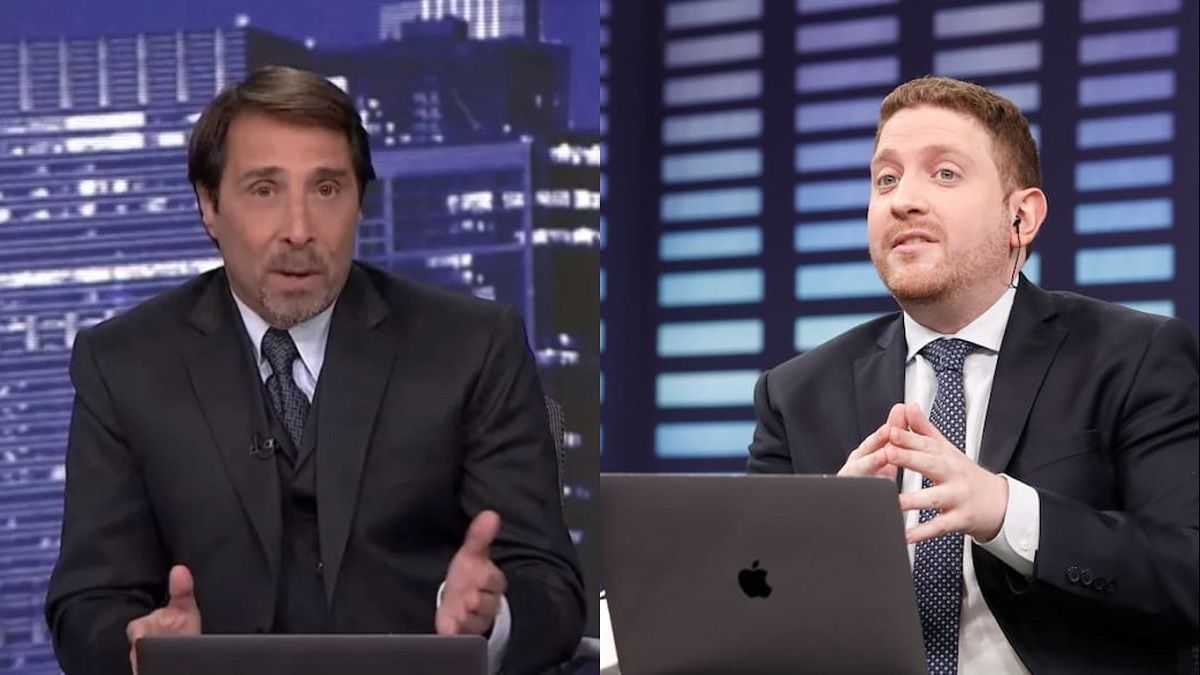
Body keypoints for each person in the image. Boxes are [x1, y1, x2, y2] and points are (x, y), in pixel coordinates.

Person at [44, 65, 584, 675]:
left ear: (360, 203)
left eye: (326, 189)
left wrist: (489, 621)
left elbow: (550, 585)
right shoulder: (124, 364)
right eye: (264, 190)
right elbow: (87, 603)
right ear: (209, 206)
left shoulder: (473, 347)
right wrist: (141, 649)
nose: (299, 231)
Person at [749, 76, 1198, 673]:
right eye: (886, 179)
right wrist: (822, 537)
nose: (903, 200)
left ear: (1022, 217)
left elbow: (1185, 575)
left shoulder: (1135, 356)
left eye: (945, 173)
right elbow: (747, 608)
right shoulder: (795, 393)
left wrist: (1007, 512)